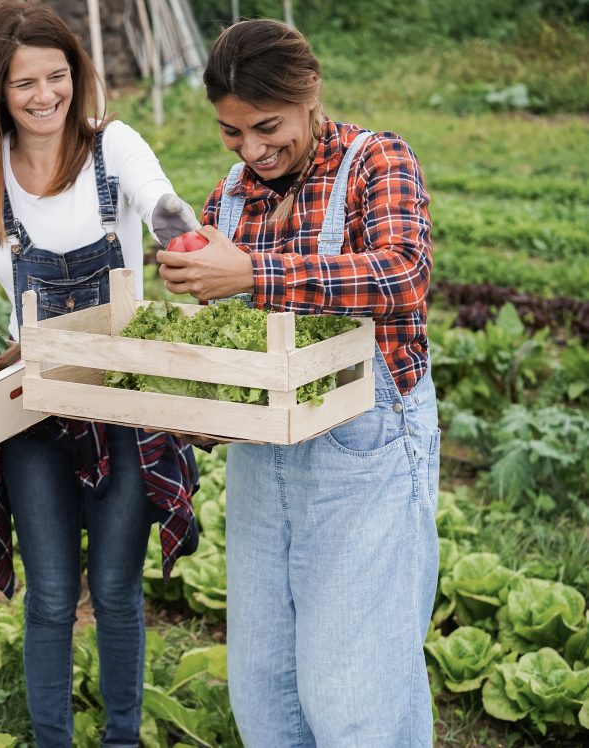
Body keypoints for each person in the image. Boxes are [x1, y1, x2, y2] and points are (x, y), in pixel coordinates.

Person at [0, 2, 198, 745]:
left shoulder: (115, 148)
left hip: (121, 398)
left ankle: (121, 736)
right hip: (31, 404)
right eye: (25, 83)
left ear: (77, 76)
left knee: (114, 591)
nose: (46, 95)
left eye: (58, 76)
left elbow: (156, 200)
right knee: (49, 595)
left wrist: (176, 218)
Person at [157, 18, 440, 747]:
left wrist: (254, 272)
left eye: (268, 126)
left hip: (362, 452)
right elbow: (235, 341)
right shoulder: (230, 194)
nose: (252, 149)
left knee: (355, 691)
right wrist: (196, 401)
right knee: (266, 689)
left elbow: (401, 275)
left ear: (310, 95)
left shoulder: (378, 161)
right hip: (264, 458)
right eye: (231, 132)